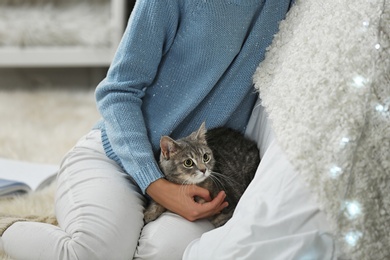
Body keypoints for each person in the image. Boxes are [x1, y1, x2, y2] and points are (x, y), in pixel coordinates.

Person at [0, 0, 293, 259]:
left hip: (196, 179)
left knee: (166, 252)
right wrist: (155, 184)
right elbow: (118, 91)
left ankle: (96, 225)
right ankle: (8, 226)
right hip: (118, 157)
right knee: (97, 253)